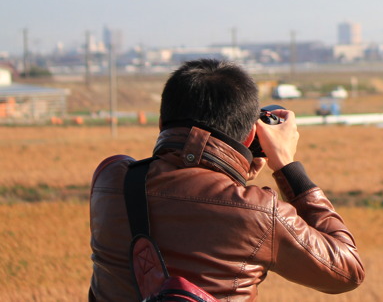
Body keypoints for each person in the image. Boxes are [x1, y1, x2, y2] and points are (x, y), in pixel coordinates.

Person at [88, 59, 364, 300]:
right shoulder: (259, 211)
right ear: (250, 138)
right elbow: (348, 270)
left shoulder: (110, 179)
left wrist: (235, 173)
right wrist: (285, 163)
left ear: (162, 123)